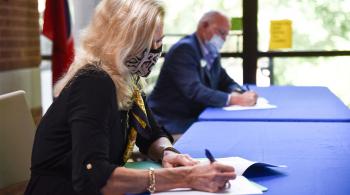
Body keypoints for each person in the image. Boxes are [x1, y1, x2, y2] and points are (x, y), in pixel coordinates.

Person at [24, 1, 236, 195]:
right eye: (149, 43)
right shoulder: (94, 82)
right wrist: (187, 177)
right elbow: (93, 177)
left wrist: (168, 153)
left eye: (159, 42)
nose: (156, 52)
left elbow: (152, 134)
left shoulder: (127, 78)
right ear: (122, 41)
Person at [147, 11, 258, 135]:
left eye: (226, 35)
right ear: (204, 26)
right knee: (224, 135)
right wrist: (234, 100)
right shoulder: (184, 49)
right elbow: (194, 90)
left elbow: (225, 80)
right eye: (221, 33)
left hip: (195, 117)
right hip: (170, 124)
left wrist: (237, 91)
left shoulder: (211, 51)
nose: (224, 38)